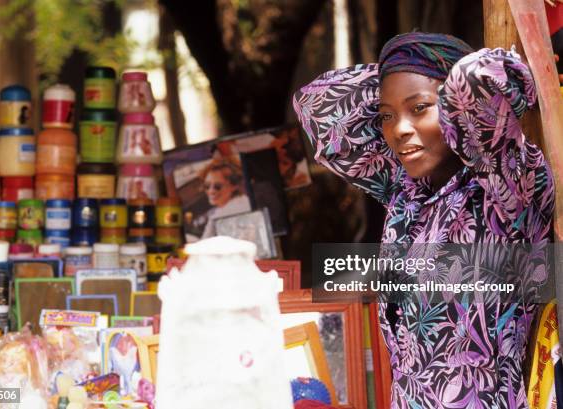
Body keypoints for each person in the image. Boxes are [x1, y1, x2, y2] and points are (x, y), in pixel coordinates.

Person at [293, 32, 554, 408]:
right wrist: (396, 69)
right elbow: (316, 105)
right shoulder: (405, 194)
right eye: (387, 116)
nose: (399, 129)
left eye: (419, 109)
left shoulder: (510, 193)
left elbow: (477, 77)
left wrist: (439, 75)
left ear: (458, 109)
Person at [199, 156, 251, 238]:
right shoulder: (244, 200)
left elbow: (203, 244)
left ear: (234, 186)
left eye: (217, 186)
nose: (211, 191)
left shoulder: (225, 213)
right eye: (207, 186)